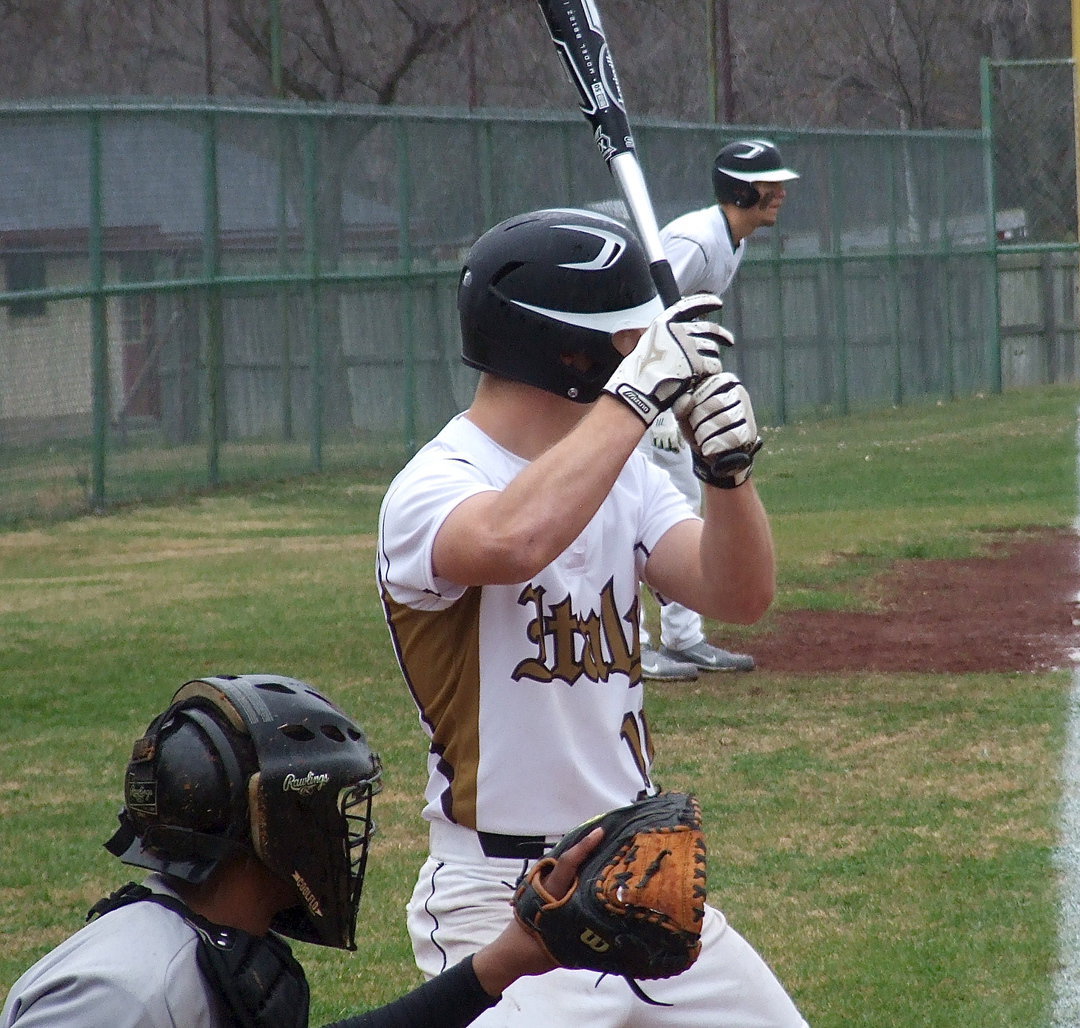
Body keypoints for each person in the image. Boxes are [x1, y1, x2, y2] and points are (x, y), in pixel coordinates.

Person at [377, 208, 808, 1025]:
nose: (641, 355)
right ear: (567, 356)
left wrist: (729, 477)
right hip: (500, 903)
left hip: (643, 875)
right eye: (625, 341)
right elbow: (512, 538)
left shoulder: (628, 475)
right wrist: (636, 399)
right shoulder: (434, 484)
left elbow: (738, 594)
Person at [1, 673, 602, 1028]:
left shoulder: (198, 949)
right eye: (330, 813)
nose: (342, 837)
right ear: (274, 827)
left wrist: (511, 958)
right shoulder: (123, 991)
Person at [639, 138, 800, 681]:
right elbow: (637, 313)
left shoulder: (730, 238)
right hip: (640, 390)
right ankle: (631, 644)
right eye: (768, 182)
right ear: (739, 188)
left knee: (683, 502)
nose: (779, 192)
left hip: (671, 390)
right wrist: (652, 405)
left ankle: (683, 638)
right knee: (648, 509)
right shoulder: (696, 240)